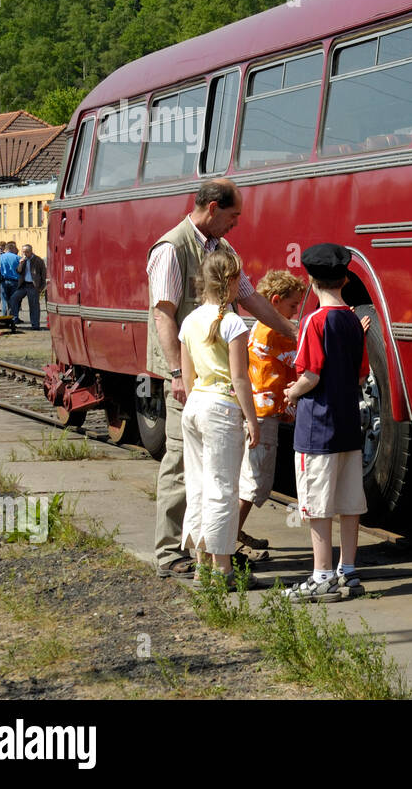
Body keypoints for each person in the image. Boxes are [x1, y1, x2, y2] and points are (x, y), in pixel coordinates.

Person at [147, 178, 295, 579]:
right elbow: (163, 314)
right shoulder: (171, 248)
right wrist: (178, 372)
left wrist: (292, 328)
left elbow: (251, 297)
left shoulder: (222, 250)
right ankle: (169, 552)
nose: (236, 224)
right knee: (183, 467)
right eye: (233, 216)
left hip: (208, 385)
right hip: (187, 378)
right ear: (213, 209)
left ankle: (207, 555)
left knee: (209, 474)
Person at [282, 244, 369, 603]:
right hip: (350, 427)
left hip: (318, 428)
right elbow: (362, 377)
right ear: (346, 279)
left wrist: (291, 393)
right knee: (349, 503)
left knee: (318, 505)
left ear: (311, 280)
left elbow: (311, 375)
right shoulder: (353, 321)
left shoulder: (313, 322)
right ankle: (348, 572)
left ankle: (321, 576)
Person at [178, 249, 261, 589]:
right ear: (230, 282)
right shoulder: (234, 324)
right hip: (221, 409)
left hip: (195, 406)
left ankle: (201, 566)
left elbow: (187, 377)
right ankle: (224, 569)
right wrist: (252, 420)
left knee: (197, 486)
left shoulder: (189, 321)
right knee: (223, 489)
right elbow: (241, 379)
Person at [236, 269, 306, 556]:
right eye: (292, 306)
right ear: (275, 301)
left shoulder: (259, 326)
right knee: (254, 479)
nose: (295, 312)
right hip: (262, 416)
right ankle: (230, 540)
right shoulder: (276, 331)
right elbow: (304, 352)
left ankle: (233, 532)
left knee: (247, 476)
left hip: (256, 410)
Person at [11, 244, 46, 330]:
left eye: (26, 252)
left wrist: (41, 287)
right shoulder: (22, 260)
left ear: (31, 251)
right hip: (23, 285)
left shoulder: (38, 260)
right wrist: (20, 264)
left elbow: (44, 275)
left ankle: (35, 325)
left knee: (34, 305)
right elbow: (18, 271)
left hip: (33, 286)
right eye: (23, 252)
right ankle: (14, 318)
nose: (25, 254)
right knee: (13, 298)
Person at [0, 241, 20, 318]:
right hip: (15, 282)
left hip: (4, 282)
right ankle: (14, 318)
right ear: (12, 249)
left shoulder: (1, 257)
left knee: (4, 301)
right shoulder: (18, 258)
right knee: (14, 301)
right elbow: (22, 270)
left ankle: (5, 318)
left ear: (6, 249)